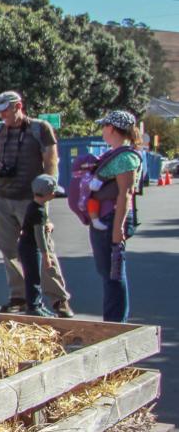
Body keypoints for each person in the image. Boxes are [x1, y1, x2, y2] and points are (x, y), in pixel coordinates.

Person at [0, 91, 72, 317]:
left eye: (6, 109)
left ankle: (58, 299)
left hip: (30, 198)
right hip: (2, 196)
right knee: (8, 250)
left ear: (18, 106)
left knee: (43, 248)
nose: (2, 114)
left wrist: (48, 188)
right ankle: (19, 296)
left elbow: (51, 160)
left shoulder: (39, 128)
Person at [85, 111, 144, 323]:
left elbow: (125, 194)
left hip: (111, 219)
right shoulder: (116, 154)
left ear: (112, 128)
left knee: (114, 273)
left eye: (104, 126)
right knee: (107, 272)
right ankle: (113, 320)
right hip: (105, 217)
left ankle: (115, 321)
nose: (102, 131)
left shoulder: (126, 157)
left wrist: (118, 228)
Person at [18, 175, 64, 318]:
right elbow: (39, 235)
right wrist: (46, 256)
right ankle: (34, 306)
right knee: (34, 278)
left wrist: (47, 226)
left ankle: (37, 304)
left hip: (25, 245)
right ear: (49, 194)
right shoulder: (40, 211)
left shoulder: (33, 206)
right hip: (32, 247)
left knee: (33, 276)